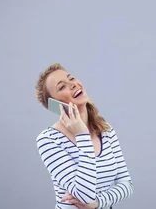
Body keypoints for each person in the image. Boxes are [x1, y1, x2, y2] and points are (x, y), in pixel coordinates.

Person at [34, 63, 134, 209]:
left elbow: (127, 184)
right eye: (62, 87)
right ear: (55, 104)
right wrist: (82, 134)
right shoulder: (48, 140)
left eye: (71, 78)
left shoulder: (106, 130)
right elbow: (84, 195)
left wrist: (98, 203)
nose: (73, 85)